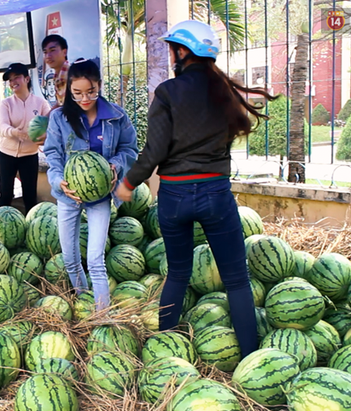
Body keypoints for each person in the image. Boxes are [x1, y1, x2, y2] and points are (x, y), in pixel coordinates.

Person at [116, 21, 278, 357]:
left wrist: (129, 182)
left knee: (177, 273)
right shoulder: (225, 92)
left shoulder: (168, 93)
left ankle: (165, 349)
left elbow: (154, 151)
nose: (171, 52)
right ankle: (250, 358)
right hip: (216, 196)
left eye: (172, 47)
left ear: (182, 51)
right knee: (236, 280)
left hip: (174, 197)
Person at [44, 59, 138, 309]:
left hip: (100, 197)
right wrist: (57, 181)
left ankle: (102, 315)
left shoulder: (117, 117)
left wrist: (115, 166)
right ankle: (84, 303)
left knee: (96, 259)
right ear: (69, 90)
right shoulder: (59, 118)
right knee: (70, 259)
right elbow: (52, 154)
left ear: (99, 85)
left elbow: (130, 149)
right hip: (68, 195)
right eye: (77, 93)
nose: (84, 98)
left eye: (91, 91)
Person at [0, 63, 51, 212]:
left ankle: (29, 228)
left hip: (30, 155)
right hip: (6, 154)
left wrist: (46, 136)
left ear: (26, 79)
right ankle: (3, 225)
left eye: (17, 77)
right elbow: (2, 127)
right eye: (10, 79)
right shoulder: (6, 104)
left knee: (30, 196)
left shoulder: (40, 103)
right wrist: (16, 132)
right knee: (6, 195)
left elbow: (51, 122)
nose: (13, 82)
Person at [41, 35, 69, 106]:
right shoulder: (57, 75)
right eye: (45, 52)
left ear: (64, 52)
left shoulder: (71, 74)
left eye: (52, 50)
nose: (48, 56)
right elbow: (61, 103)